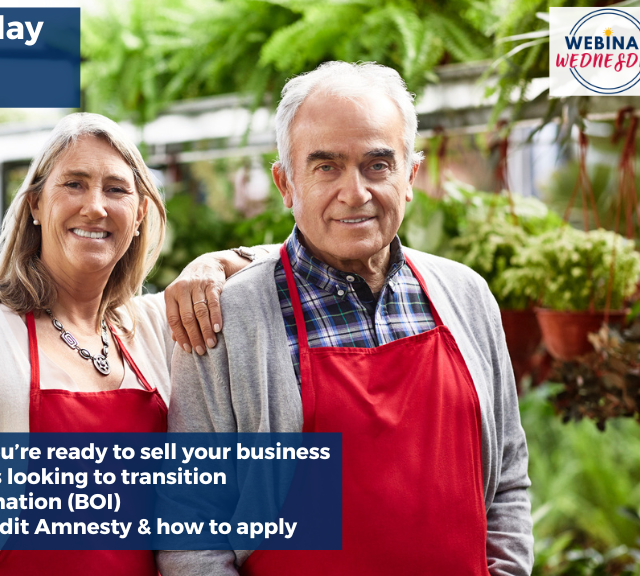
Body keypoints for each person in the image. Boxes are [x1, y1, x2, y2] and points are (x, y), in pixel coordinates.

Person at [161, 62, 533, 576]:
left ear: (410, 178)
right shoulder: (226, 320)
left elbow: (508, 476)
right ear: (285, 184)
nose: (355, 192)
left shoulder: (466, 296)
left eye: (377, 165)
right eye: (326, 166)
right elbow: (192, 525)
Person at [0, 112, 267, 576]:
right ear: (35, 204)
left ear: (139, 215)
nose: (95, 207)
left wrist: (213, 263)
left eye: (116, 189)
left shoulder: (157, 328)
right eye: (74, 184)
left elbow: (296, 254)